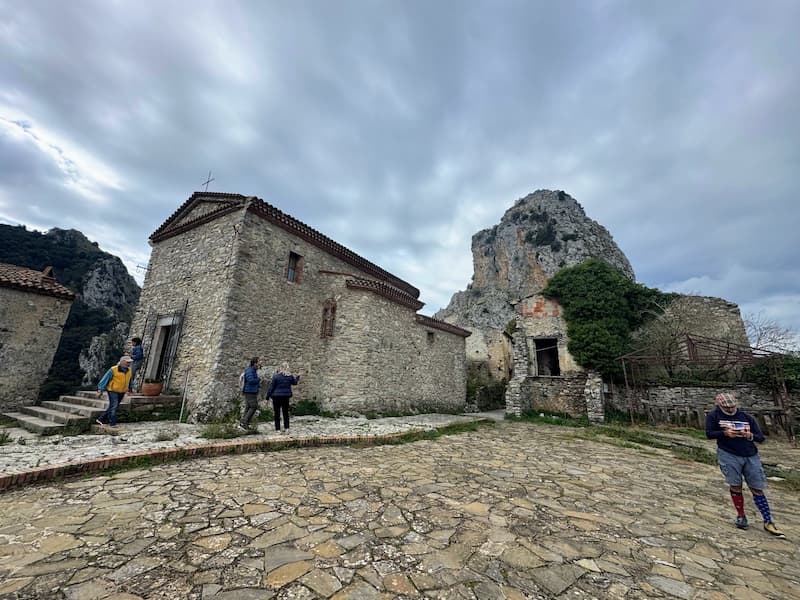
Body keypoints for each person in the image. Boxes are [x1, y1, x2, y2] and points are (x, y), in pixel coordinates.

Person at [706, 392, 785, 538]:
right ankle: (741, 515)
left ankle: (768, 520)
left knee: (757, 487)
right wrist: (725, 434)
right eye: (726, 407)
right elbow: (709, 433)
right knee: (735, 485)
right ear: (719, 405)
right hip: (728, 453)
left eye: (732, 406)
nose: (730, 409)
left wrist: (750, 436)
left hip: (750, 454)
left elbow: (761, 438)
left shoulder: (746, 417)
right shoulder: (714, 416)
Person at [96, 355, 133, 428]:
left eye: (129, 362)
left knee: (113, 406)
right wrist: (100, 389)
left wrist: (130, 388)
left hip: (122, 391)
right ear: (122, 362)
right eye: (127, 362)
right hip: (113, 390)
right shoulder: (113, 369)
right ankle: (112, 423)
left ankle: (101, 419)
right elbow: (105, 379)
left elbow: (130, 380)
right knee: (114, 406)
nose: (129, 363)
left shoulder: (129, 370)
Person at [266, 362, 300, 434]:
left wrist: (267, 397)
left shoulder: (276, 376)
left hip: (276, 397)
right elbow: (295, 383)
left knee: (277, 413)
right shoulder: (290, 377)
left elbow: (271, 387)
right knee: (285, 413)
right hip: (286, 396)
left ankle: (278, 429)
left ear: (281, 368)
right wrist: (297, 377)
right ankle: (287, 428)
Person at [238, 357, 262, 431]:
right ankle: (244, 422)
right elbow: (251, 380)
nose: (260, 363)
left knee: (248, 407)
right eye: (259, 362)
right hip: (249, 391)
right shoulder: (250, 370)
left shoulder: (253, 370)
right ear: (255, 363)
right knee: (254, 406)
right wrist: (259, 379)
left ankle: (244, 424)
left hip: (251, 391)